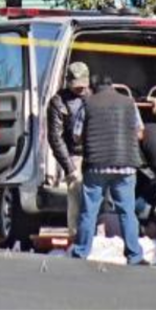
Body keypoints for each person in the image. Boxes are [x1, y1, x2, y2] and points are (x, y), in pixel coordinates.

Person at [69, 75, 146, 266]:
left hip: (96, 164)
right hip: (126, 165)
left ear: (93, 88)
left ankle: (81, 252)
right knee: (127, 212)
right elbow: (140, 132)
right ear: (112, 86)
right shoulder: (129, 103)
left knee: (89, 212)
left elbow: (76, 136)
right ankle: (134, 255)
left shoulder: (87, 103)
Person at [47, 61, 91, 237]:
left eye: (83, 85)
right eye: (76, 86)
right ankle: (76, 237)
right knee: (76, 198)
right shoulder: (58, 102)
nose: (80, 89)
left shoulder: (93, 98)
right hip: (74, 155)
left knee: (98, 199)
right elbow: (55, 137)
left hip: (94, 154)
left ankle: (98, 238)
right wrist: (69, 167)